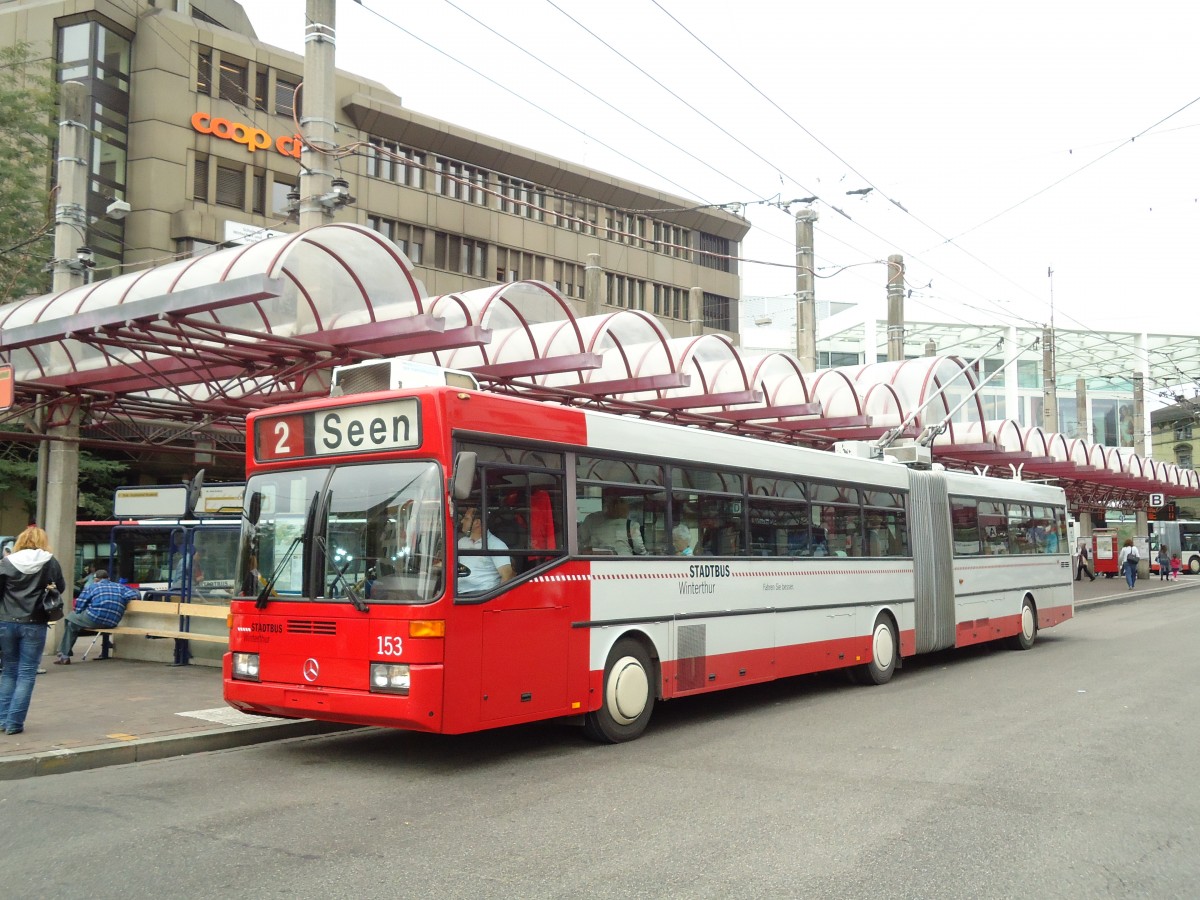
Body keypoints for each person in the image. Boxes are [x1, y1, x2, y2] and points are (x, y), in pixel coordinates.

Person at [0, 525, 67, 735]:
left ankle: (2, 720)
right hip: (35, 622)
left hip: (6, 622)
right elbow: (61, 588)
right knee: (27, 673)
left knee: (9, 671)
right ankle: (14, 723)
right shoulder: (49, 562)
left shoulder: (7, 562)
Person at [54, 569, 139, 664]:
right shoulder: (120, 587)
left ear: (95, 579)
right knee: (72, 625)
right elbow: (134, 594)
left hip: (95, 619)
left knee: (70, 618)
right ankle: (64, 653)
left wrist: (80, 612)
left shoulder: (92, 587)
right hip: (113, 622)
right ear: (109, 578)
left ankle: (64, 655)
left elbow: (79, 604)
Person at [456, 507, 513, 594]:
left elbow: (507, 575)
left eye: (466, 518)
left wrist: (495, 599)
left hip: (482, 595)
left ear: (477, 523)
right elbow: (451, 564)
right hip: (458, 593)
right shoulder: (461, 542)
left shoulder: (496, 544)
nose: (462, 521)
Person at [579, 493, 646, 555]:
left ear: (608, 509)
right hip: (626, 562)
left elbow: (594, 547)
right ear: (626, 509)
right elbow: (638, 548)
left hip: (607, 563)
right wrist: (645, 555)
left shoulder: (598, 527)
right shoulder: (632, 525)